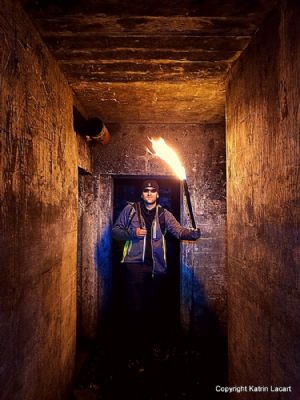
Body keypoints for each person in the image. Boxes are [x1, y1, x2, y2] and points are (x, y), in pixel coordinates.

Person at [112, 179, 200, 372]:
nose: (149, 193)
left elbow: (178, 231)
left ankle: (150, 349)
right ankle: (134, 353)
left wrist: (192, 234)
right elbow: (116, 232)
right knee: (135, 310)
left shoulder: (163, 214)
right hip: (134, 266)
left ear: (158, 194)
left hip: (156, 269)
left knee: (153, 309)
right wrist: (132, 232)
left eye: (153, 191)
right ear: (142, 194)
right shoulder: (131, 210)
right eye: (146, 191)